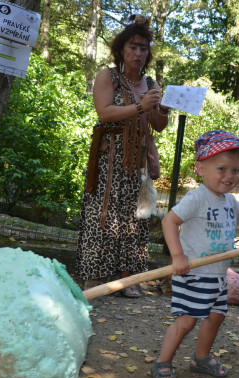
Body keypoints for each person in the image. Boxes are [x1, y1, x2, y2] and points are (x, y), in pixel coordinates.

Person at [151, 130, 239, 378]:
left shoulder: (230, 202)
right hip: (192, 273)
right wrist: (178, 255)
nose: (229, 176)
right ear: (200, 168)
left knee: (216, 317)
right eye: (222, 169)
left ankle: (200, 359)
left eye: (235, 170)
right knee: (187, 321)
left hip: (217, 276)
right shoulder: (197, 197)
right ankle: (162, 362)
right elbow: (169, 220)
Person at [76, 14, 170, 297]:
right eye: (133, 47)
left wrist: (162, 108)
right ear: (121, 50)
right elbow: (104, 112)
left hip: (138, 160)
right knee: (104, 214)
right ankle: (94, 279)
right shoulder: (109, 76)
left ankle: (127, 280)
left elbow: (158, 126)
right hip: (110, 157)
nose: (138, 53)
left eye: (143, 48)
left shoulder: (151, 84)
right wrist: (141, 106)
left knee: (134, 218)